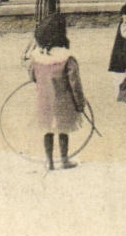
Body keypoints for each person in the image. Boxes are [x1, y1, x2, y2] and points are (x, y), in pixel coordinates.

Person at [28, 14, 87, 171]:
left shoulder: (37, 58)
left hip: (44, 100)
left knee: (47, 129)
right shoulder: (67, 58)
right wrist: (80, 104)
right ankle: (64, 159)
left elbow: (33, 76)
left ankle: (49, 161)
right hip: (63, 101)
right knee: (62, 130)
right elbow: (75, 84)